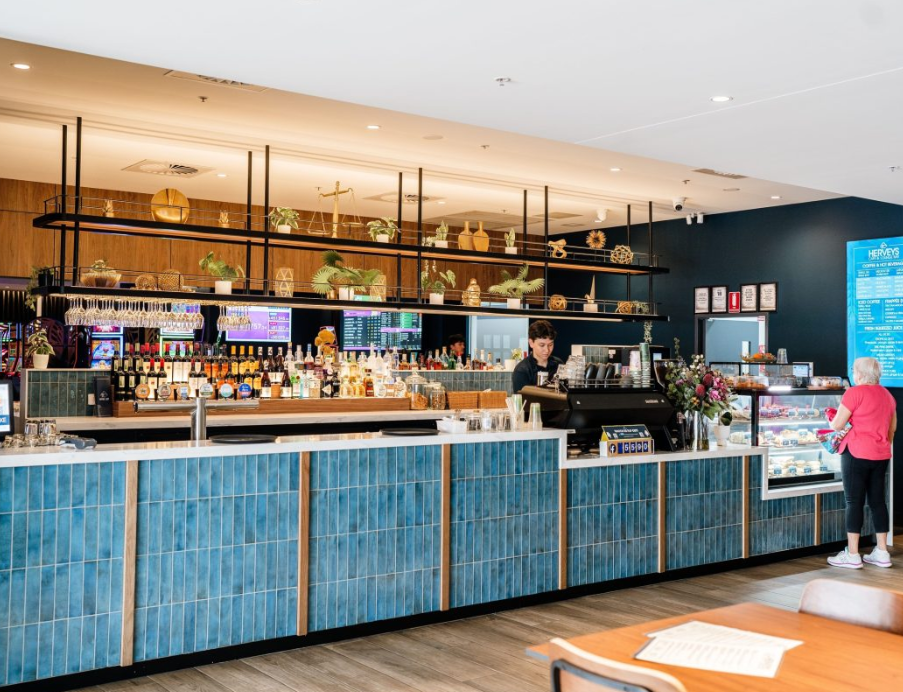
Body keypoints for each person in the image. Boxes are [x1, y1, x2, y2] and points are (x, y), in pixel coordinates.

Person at [827, 356, 896, 569]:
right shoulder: (887, 395)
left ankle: (853, 554)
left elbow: (837, 425)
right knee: (878, 502)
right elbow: (892, 429)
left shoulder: (853, 393)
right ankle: (882, 552)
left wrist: (831, 419)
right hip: (881, 454)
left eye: (854, 370)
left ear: (859, 373)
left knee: (854, 502)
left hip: (856, 453)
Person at [513, 320, 563, 392]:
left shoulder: (559, 364)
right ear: (531, 343)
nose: (547, 350)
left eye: (550, 345)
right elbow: (521, 398)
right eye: (542, 345)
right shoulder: (522, 370)